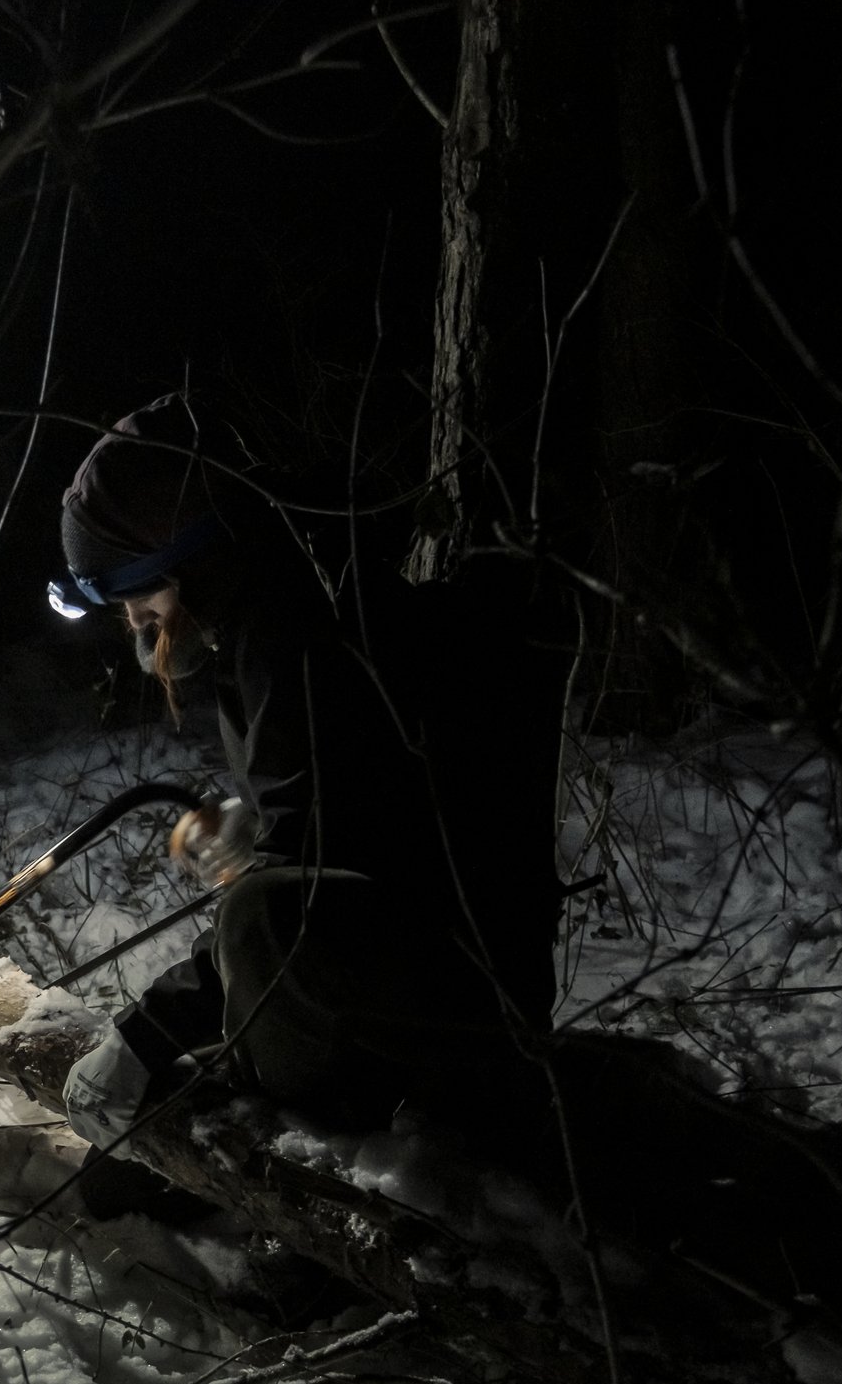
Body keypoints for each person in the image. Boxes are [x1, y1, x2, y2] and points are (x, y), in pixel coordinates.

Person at [52, 395, 569, 1155]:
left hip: (464, 996)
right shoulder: (269, 595)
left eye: (134, 596)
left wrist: (146, 1032)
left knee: (256, 918)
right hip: (423, 965)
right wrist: (260, 821)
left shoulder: (292, 628)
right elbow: (358, 800)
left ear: (185, 560)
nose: (132, 622)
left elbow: (312, 881)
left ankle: (315, 1150)